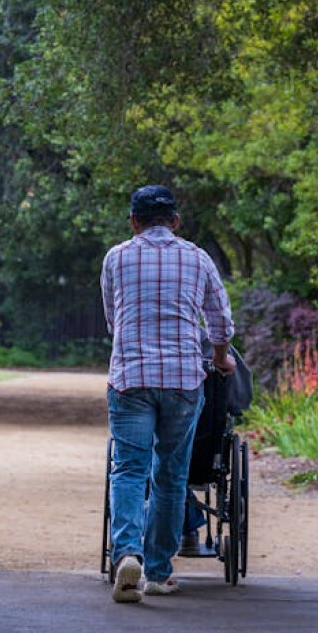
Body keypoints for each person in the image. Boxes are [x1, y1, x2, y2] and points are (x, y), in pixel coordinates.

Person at [101, 185, 235, 603]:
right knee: (171, 476)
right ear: (176, 222)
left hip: (131, 379)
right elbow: (221, 322)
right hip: (182, 382)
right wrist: (221, 358)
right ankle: (158, 572)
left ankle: (126, 554)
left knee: (128, 469)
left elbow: (112, 319)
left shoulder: (116, 257)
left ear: (134, 221)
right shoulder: (197, 257)